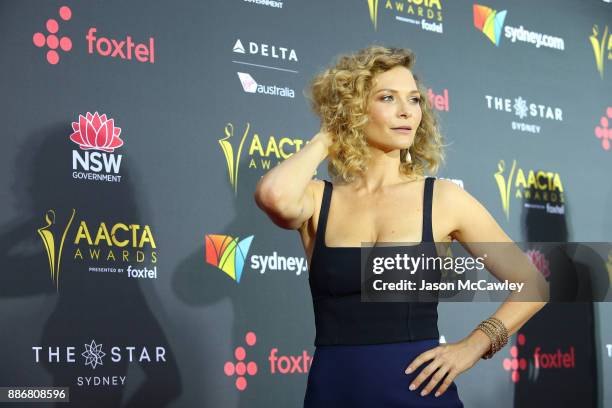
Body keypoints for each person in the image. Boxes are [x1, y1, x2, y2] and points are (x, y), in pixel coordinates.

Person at [254, 46, 547, 407]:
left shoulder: (441, 198)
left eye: (414, 99)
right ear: (354, 109)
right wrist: (329, 136)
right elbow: (272, 196)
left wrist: (474, 346)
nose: (407, 111)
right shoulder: (318, 199)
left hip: (420, 390)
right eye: (387, 98)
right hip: (333, 391)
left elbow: (532, 285)